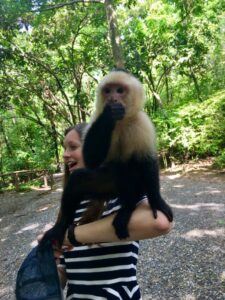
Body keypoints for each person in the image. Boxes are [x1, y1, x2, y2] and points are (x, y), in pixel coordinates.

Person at [40, 123, 172, 300]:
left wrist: (70, 235)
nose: (65, 154)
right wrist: (47, 270)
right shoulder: (71, 206)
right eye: (64, 148)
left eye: (73, 147)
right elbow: (65, 270)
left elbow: (160, 222)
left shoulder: (119, 194)